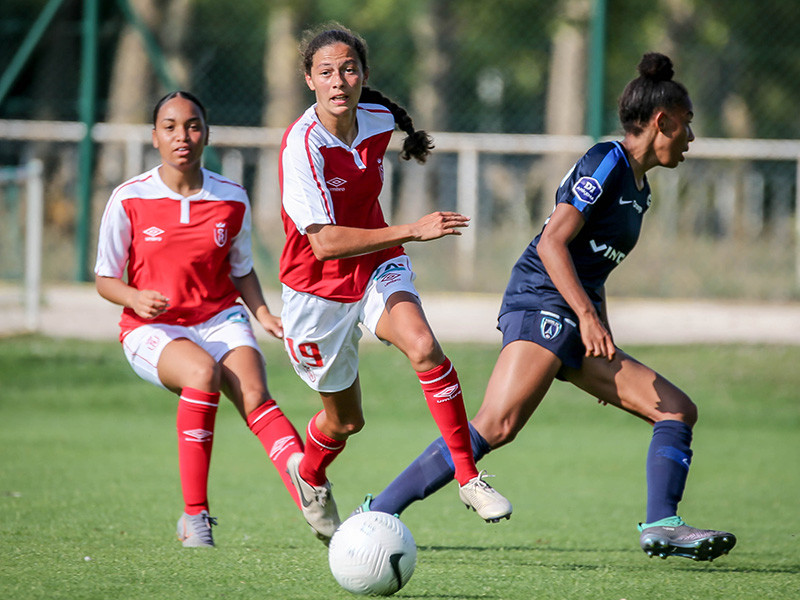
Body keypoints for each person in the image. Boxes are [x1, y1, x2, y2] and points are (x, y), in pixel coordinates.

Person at [359, 53, 737, 562]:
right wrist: (587, 318)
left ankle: (662, 525)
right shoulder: (607, 161)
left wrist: (600, 334)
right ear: (661, 121)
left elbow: (592, 269)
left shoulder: (640, 189)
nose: (691, 137)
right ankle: (376, 512)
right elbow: (552, 244)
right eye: (687, 124)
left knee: (675, 409)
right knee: (496, 425)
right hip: (541, 300)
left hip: (575, 316)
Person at [278, 23, 512, 545]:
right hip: (316, 291)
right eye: (325, 72)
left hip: (377, 263)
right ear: (309, 80)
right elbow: (324, 244)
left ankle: (468, 477)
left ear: (363, 74)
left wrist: (398, 237)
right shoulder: (301, 146)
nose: (338, 81)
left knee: (424, 346)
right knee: (345, 423)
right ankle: (309, 474)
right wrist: (412, 229)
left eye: (349, 69)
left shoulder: (378, 120)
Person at [94, 91, 306, 548]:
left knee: (255, 394)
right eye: (170, 127)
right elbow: (104, 279)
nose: (182, 136)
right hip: (152, 329)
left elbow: (241, 269)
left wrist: (263, 313)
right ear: (155, 137)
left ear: (206, 135)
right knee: (202, 374)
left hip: (219, 318)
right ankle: (195, 517)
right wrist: (134, 296)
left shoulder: (231, 198)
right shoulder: (130, 198)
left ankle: (315, 500)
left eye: (192, 126)